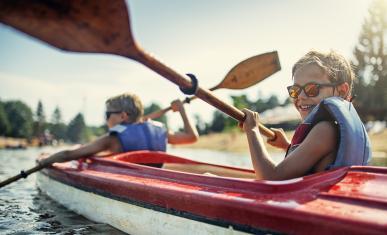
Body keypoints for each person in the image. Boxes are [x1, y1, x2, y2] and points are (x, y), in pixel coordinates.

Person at [241, 50, 371, 180]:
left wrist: (252, 129)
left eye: (312, 89)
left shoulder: (325, 130)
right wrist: (287, 146)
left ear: (341, 91)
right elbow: (316, 159)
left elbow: (270, 177)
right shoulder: (330, 130)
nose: (301, 97)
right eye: (295, 91)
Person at [39, 92, 199, 166]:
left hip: (129, 185)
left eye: (107, 114)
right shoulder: (160, 131)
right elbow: (192, 137)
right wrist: (182, 111)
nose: (105, 118)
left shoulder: (112, 138)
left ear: (123, 116)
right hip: (157, 181)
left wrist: (44, 162)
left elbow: (69, 155)